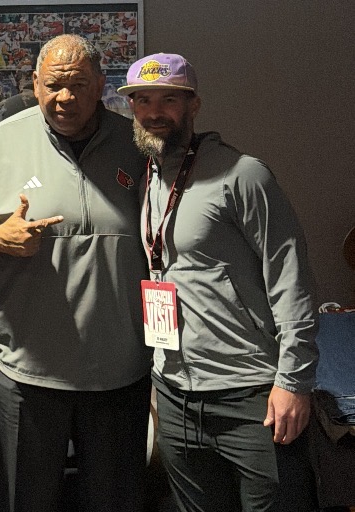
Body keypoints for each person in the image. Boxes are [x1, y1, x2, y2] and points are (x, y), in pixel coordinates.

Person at [119, 52, 319, 511]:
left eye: (170, 99)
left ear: (194, 105)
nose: (154, 112)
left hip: (252, 397)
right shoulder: (148, 176)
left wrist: (295, 381)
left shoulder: (244, 175)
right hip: (175, 397)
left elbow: (292, 281)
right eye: (143, 100)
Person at [0, 34, 151, 512]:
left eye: (78, 86)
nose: (64, 98)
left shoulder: (136, 145)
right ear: (35, 84)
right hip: (27, 373)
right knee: (28, 500)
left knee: (114, 502)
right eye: (53, 86)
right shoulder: (1, 142)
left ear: (101, 86)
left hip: (119, 372)